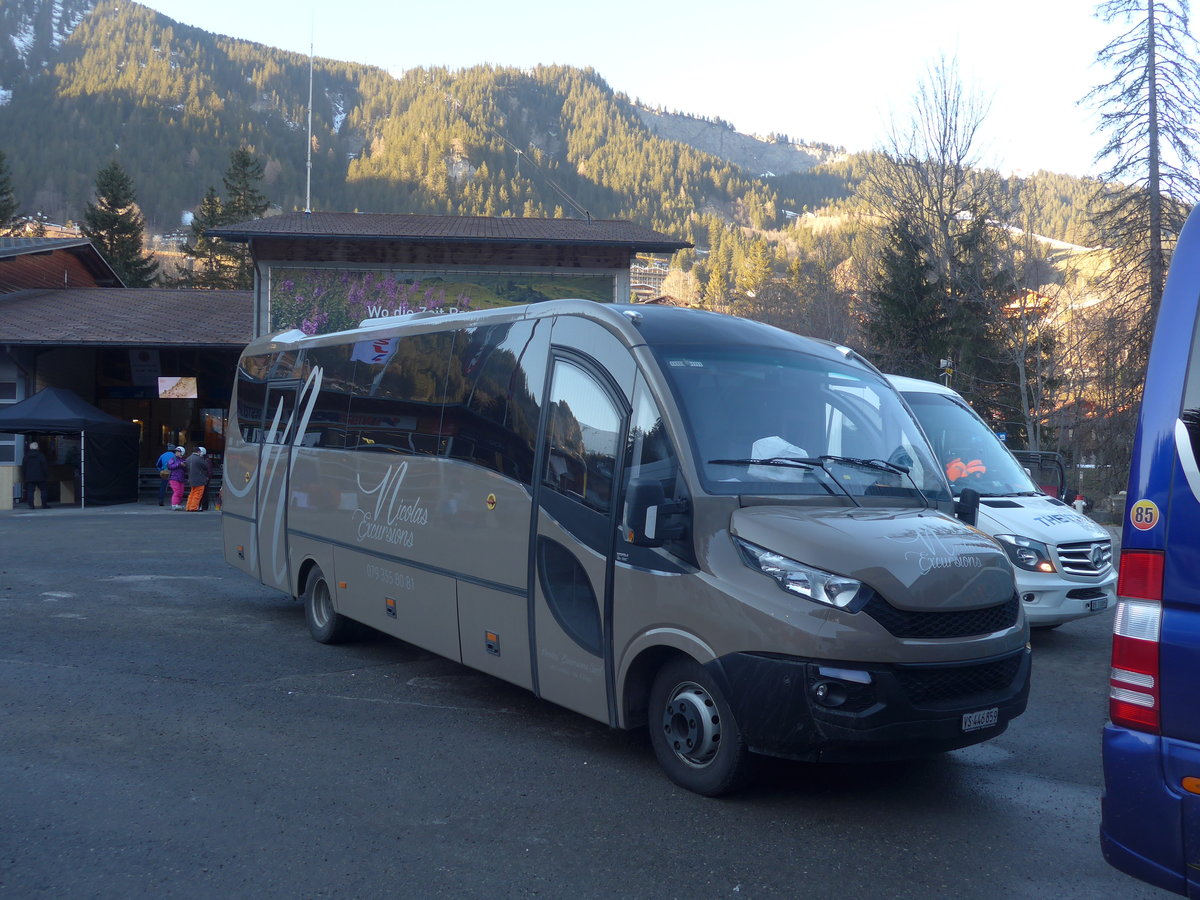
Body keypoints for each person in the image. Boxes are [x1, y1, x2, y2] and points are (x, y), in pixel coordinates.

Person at [22, 440, 50, 509]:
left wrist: (25, 475)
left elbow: (24, 467)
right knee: (43, 490)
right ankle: (44, 504)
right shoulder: (41, 455)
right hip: (41, 476)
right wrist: (46, 475)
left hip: (30, 477)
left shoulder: (26, 456)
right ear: (37, 448)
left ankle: (31, 505)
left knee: (30, 491)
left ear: (30, 448)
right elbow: (44, 466)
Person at [185, 446, 211, 512]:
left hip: (191, 479)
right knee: (197, 494)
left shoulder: (188, 458)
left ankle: (188, 506)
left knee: (191, 494)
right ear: (199, 452)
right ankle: (193, 507)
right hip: (199, 479)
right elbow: (206, 466)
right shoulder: (199, 459)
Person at [167, 446, 187, 510]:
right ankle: (174, 504)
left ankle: (178, 504)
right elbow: (170, 466)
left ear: (182, 453)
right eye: (176, 451)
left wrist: (184, 466)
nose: (176, 453)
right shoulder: (173, 459)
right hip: (174, 478)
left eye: (178, 452)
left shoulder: (184, 460)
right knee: (177, 491)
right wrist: (179, 464)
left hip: (181, 478)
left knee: (181, 492)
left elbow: (186, 469)